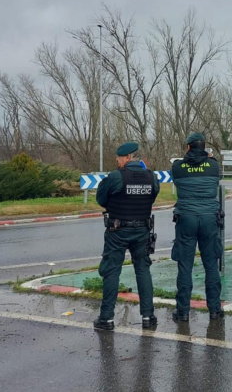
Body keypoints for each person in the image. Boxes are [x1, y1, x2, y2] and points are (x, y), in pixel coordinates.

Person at [93, 141, 160, 331]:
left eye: (119, 158)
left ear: (128, 157)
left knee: (112, 271)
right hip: (142, 230)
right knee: (143, 270)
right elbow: (153, 196)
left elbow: (101, 199)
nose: (117, 161)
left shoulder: (116, 177)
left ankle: (106, 319)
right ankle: (148, 317)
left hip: (118, 231)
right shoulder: (151, 176)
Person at [170, 132, 223, 321]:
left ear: (188, 147)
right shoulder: (214, 165)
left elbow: (176, 178)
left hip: (186, 219)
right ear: (205, 147)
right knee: (211, 265)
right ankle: (215, 310)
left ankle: (183, 312)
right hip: (209, 219)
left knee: (185, 266)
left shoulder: (178, 166)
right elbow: (217, 178)